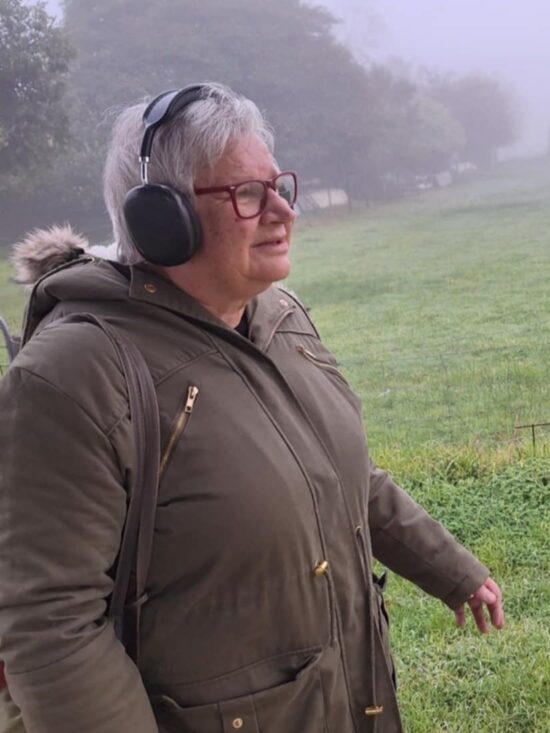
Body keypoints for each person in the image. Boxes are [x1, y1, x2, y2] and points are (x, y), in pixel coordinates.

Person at [0, 82, 503, 733]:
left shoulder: (280, 318)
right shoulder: (75, 375)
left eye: (278, 185)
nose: (282, 211)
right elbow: (51, 627)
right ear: (162, 218)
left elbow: (344, 475)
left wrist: (448, 566)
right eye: (245, 193)